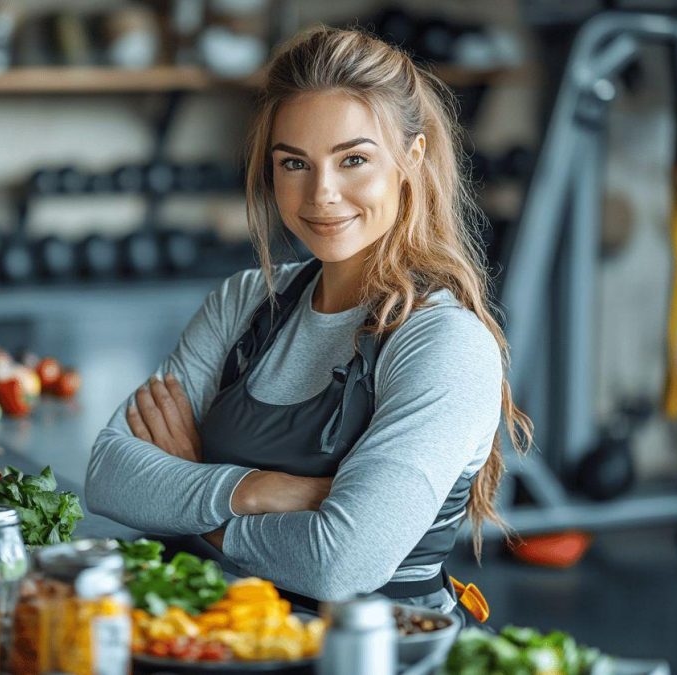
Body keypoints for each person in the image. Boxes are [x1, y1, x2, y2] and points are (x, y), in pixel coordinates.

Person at [85, 25, 532, 619]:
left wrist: (194, 499)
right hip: (218, 633)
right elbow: (109, 473)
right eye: (294, 163)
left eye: (353, 160)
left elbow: (339, 563)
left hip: (373, 652)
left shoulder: (443, 344)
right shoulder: (244, 302)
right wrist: (251, 490)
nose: (321, 194)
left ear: (411, 160)